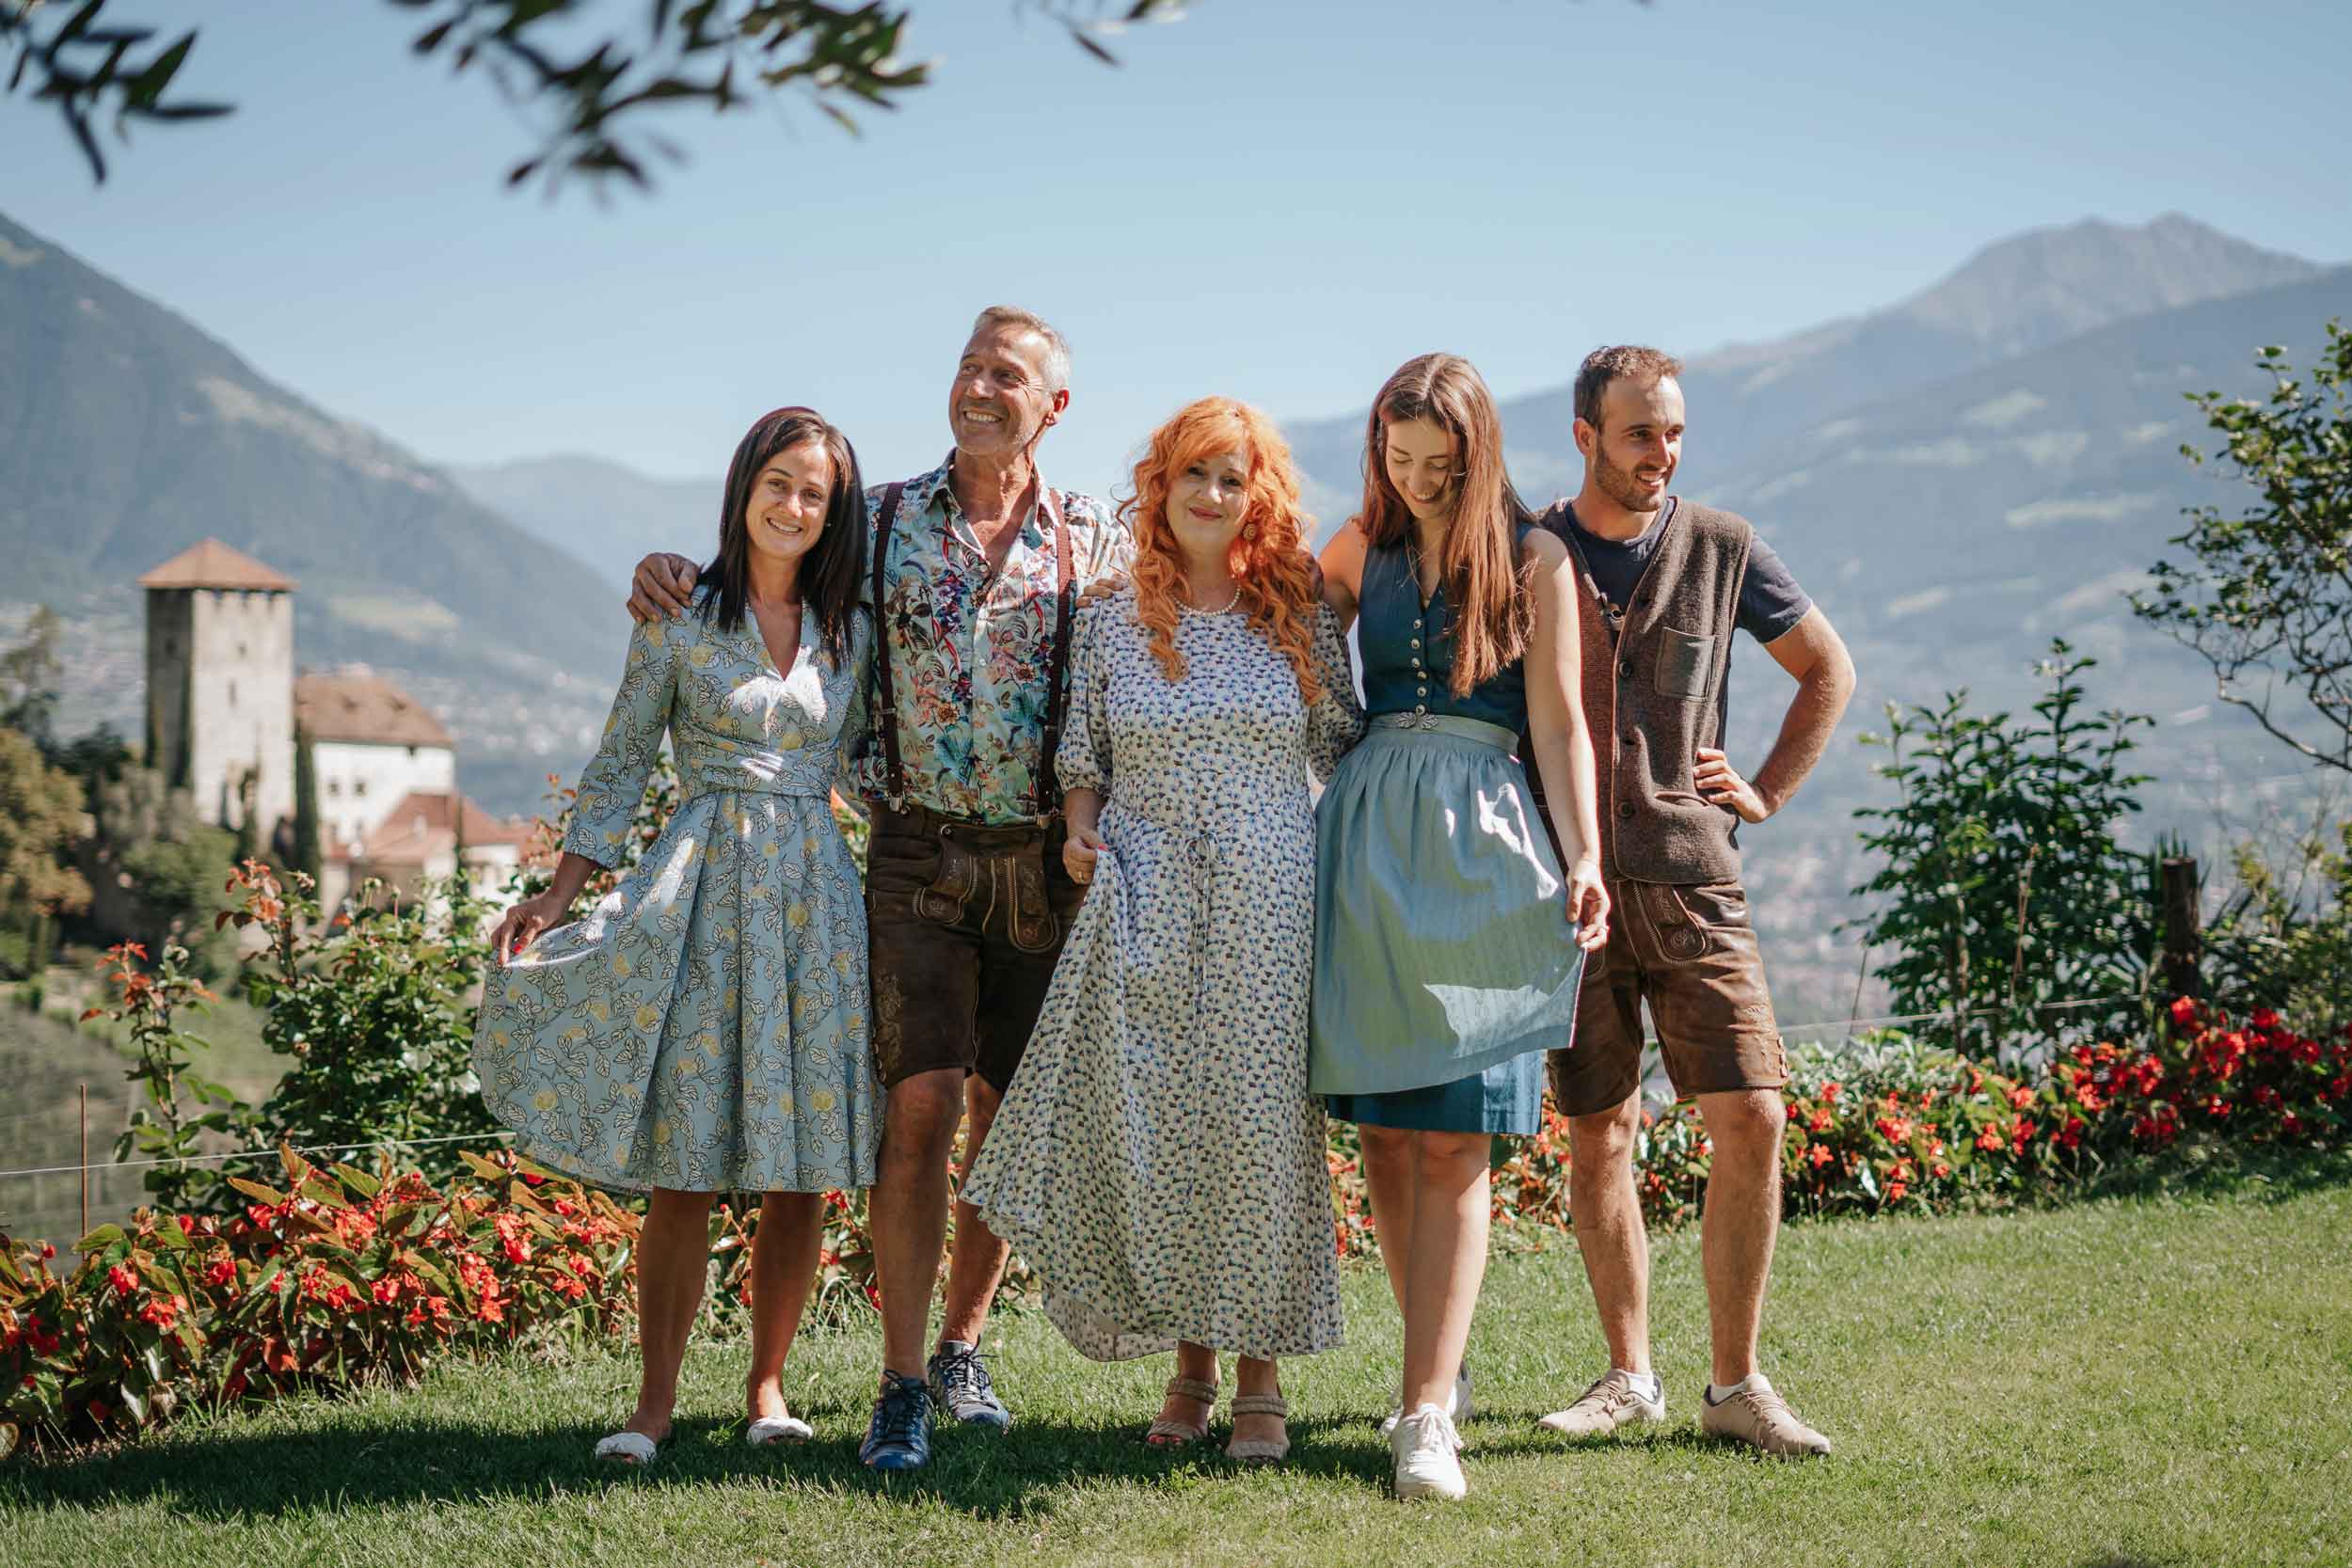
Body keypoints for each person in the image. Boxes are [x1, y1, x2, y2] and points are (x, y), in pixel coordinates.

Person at [628, 307, 1129, 1472]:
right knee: (917, 1110)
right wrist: (670, 575)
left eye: (1007, 375)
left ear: (1054, 406)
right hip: (913, 853)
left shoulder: (1094, 534)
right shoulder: (887, 515)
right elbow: (775, 576)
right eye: (968, 366)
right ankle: (899, 1383)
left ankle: (960, 1343)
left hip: (1043, 860)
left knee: (1004, 1123)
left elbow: (1170, 618)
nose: (979, 387)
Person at [961, 397, 1361, 1466]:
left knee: (1260, 1126)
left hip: (1270, 893)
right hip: (1143, 890)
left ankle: (1259, 1377)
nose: (1214, 496)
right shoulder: (1109, 614)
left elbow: (1340, 742)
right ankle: (1189, 1366)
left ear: (1258, 494)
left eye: (1234, 479)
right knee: (1164, 1129)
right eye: (1196, 474)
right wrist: (1084, 836)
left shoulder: (1297, 606)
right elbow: (1080, 759)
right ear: (1162, 484)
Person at [477, 406, 878, 1466]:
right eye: (779, 483)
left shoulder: (855, 630)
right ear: (745, 485)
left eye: (815, 493)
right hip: (700, 891)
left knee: (802, 1168)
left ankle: (768, 1386)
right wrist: (557, 898)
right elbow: (617, 764)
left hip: (817, 905)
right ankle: (652, 1403)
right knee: (685, 1165)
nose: (794, 506)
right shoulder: (676, 614)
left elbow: (877, 771)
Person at [1528, 344, 1855, 1459]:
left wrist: (1760, 789)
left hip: (1696, 877)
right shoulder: (1532, 546)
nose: (1660, 453)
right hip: (1569, 887)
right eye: (1637, 433)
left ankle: (1735, 1382)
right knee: (1596, 1132)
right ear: (1585, 435)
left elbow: (1827, 669)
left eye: (1672, 432)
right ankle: (1629, 1374)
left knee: (1753, 1111)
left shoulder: (1723, 545)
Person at [1311, 353, 1610, 1501]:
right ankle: (1432, 1366)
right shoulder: (1354, 547)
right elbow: (1255, 624)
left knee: (1459, 1132)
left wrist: (1583, 856)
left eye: (1441, 463)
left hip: (1485, 839)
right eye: (1400, 459)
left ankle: (1429, 1412)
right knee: (1386, 1129)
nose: (1420, 481)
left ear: (1480, 453)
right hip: (1369, 842)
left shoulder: (1536, 560)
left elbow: (1564, 727)